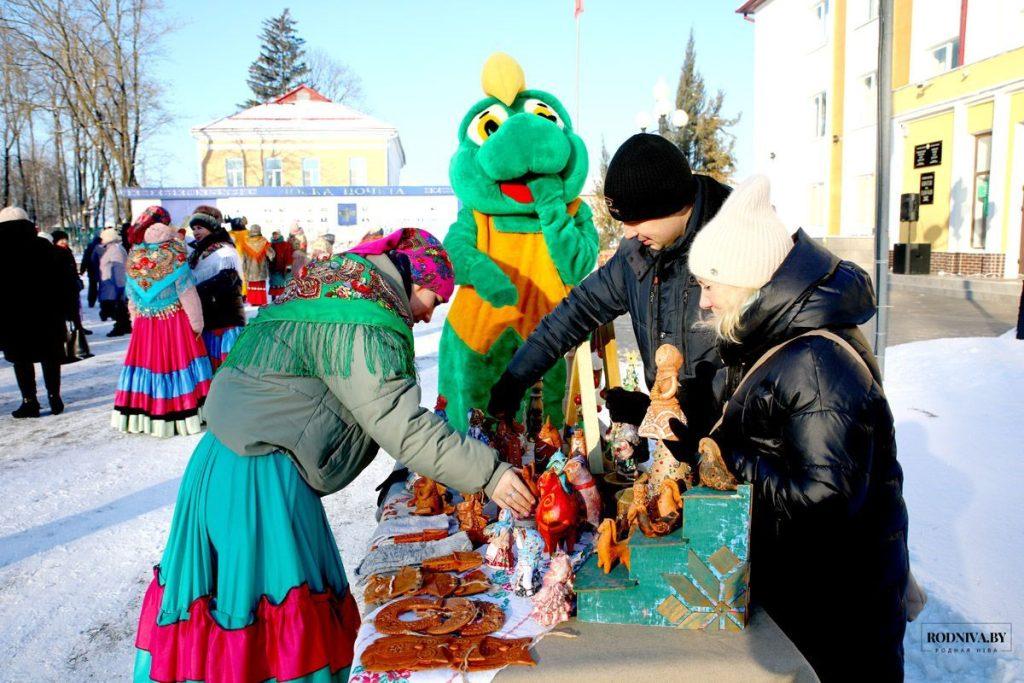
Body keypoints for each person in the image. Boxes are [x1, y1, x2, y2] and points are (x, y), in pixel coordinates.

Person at [132, 227, 535, 682]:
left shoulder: (338, 283)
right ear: (416, 282)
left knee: (229, 603)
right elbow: (398, 422)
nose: (426, 317)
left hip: (221, 461)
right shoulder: (364, 317)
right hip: (259, 480)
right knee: (270, 615)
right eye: (434, 301)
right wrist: (491, 475)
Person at [684, 175, 909, 680]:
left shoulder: (815, 362)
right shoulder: (777, 336)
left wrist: (732, 461)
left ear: (747, 281)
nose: (703, 301)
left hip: (838, 617)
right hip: (813, 595)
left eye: (709, 284)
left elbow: (825, 499)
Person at [488, 133, 731, 461]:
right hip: (678, 450)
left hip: (735, 458)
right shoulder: (637, 255)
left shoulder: (737, 245)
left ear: (670, 203)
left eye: (634, 220)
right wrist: (516, 378)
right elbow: (576, 311)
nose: (627, 233)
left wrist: (687, 424)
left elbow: (768, 378)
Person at [112, 221, 212, 437]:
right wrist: (197, 324)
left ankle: (144, 415)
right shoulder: (175, 257)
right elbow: (188, 294)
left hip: (146, 322)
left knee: (148, 364)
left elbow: (132, 297)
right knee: (177, 362)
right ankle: (183, 414)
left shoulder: (135, 259)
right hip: (173, 321)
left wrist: (135, 319)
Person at [0, 207, 67, 417]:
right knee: (50, 357)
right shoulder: (46, 248)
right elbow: (63, 282)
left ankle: (30, 401)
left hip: (13, 316)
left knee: (22, 359)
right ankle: (55, 398)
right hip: (48, 313)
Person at [187, 205, 245, 371]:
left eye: (200, 228)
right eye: (194, 228)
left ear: (212, 227)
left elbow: (228, 282)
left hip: (225, 319)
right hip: (209, 317)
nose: (196, 232)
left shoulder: (224, 251)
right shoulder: (198, 252)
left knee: (226, 368)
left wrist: (197, 291)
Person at [51, 229, 93, 362]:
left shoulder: (66, 251)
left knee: (74, 321)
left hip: (71, 290)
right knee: (69, 323)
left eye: (65, 239)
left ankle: (78, 348)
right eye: (61, 239)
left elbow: (72, 270)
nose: (64, 242)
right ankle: (71, 351)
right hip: (64, 292)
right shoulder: (56, 253)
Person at [99, 226, 132, 337]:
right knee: (119, 306)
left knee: (119, 306)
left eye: (103, 238)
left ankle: (120, 327)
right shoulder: (113, 248)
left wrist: (120, 287)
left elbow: (119, 269)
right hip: (112, 284)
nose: (101, 240)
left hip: (114, 284)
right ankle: (125, 325)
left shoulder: (115, 249)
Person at [240, 223, 274, 306]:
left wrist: (243, 268)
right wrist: (271, 257)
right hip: (261, 269)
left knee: (252, 285)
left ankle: (253, 301)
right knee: (260, 285)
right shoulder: (264, 241)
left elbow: (243, 258)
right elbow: (271, 254)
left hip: (250, 269)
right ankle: (260, 300)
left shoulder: (246, 242)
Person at [268, 229, 293, 299]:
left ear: (280, 235)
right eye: (274, 234)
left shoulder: (285, 245)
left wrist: (288, 269)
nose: (275, 236)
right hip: (273, 269)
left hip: (282, 269)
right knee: (273, 285)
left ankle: (282, 300)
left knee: (281, 286)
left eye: (276, 234)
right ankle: (273, 300)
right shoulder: (270, 245)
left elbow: (289, 258)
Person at [80, 231, 102, 308]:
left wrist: (82, 269)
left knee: (92, 286)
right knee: (102, 286)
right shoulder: (103, 247)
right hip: (102, 270)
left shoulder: (90, 246)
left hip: (91, 269)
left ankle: (91, 301)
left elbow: (85, 259)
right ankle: (102, 301)